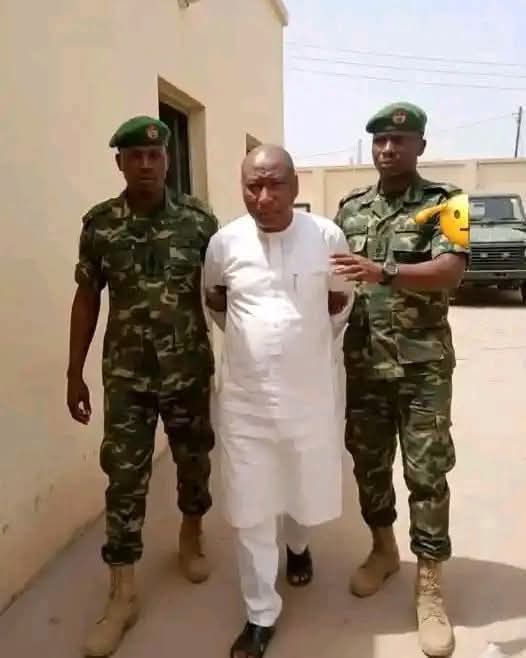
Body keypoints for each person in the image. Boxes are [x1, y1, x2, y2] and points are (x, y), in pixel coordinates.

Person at [67, 116, 218, 657]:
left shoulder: (199, 222)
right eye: (135, 156)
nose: (147, 165)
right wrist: (74, 370)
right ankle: (122, 591)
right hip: (127, 376)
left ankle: (191, 534)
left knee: (194, 460)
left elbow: (224, 291)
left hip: (188, 370)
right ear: (121, 163)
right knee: (124, 477)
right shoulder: (100, 225)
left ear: (168, 160)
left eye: (155, 155)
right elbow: (87, 297)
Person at [204, 144, 353, 658]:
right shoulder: (224, 242)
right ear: (241, 187)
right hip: (245, 401)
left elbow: (341, 303)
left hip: (309, 395)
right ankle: (260, 614)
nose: (264, 197)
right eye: (253, 186)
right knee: (250, 504)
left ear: (295, 186)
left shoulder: (326, 236)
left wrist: (298, 345)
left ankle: (298, 546)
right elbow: (216, 302)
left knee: (302, 484)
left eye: (275, 185)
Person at [332, 102, 468, 658]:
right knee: (368, 465)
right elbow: (334, 279)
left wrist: (383, 270)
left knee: (427, 472)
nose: (388, 149)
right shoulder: (350, 209)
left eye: (399, 140)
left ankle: (430, 585)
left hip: (422, 366)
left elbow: (450, 271)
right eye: (380, 141)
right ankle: (384, 549)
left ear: (420, 147)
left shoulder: (447, 203)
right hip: (364, 363)